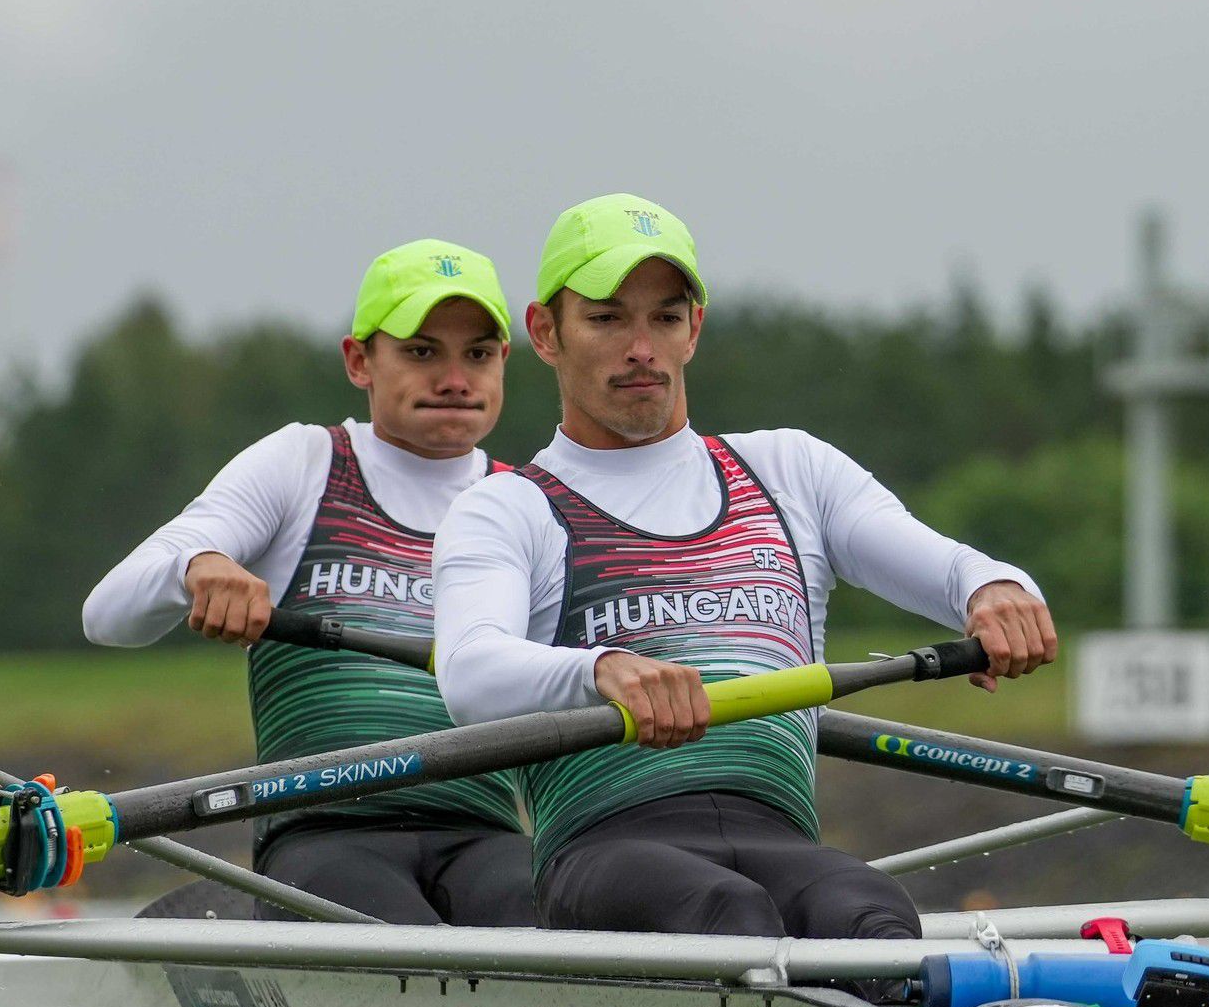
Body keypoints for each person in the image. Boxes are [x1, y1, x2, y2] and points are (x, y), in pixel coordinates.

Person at [431, 195, 1057, 954]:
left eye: (664, 317)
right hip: (603, 854)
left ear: (694, 328)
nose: (641, 347)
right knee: (729, 916)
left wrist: (999, 591)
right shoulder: (506, 508)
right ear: (544, 333)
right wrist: (605, 670)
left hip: (777, 840)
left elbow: (955, 568)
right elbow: (468, 671)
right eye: (606, 319)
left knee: (873, 915)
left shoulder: (791, 469)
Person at [84, 239, 534, 926]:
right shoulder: (303, 464)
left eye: (476, 353)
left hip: (488, 836)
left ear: (504, 362)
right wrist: (197, 566)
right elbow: (108, 614)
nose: (453, 377)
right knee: (400, 935)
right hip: (326, 836)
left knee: (545, 909)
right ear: (359, 361)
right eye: (421, 352)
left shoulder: (527, 503)